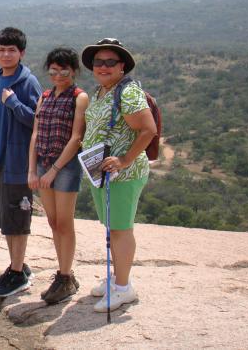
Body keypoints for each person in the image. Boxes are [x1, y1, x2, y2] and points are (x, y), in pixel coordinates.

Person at [81, 38, 157, 312]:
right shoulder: (103, 91)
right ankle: (117, 278)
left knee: (121, 229)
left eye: (110, 62)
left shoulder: (127, 92)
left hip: (122, 175)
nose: (103, 66)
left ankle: (124, 288)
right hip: (103, 173)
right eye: (98, 62)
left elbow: (148, 130)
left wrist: (124, 160)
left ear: (122, 66)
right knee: (112, 226)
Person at [0, 27, 42, 297]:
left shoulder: (27, 83)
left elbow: (37, 120)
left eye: (11, 50)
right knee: (6, 219)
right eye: (1, 50)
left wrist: (14, 103)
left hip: (16, 163)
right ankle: (17, 267)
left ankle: (17, 274)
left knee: (17, 219)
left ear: (21, 53)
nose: (6, 54)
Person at [27, 47, 88, 304]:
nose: (58, 74)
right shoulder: (45, 96)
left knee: (65, 223)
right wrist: (33, 170)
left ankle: (65, 276)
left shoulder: (79, 97)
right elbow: (35, 134)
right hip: (43, 162)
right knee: (53, 223)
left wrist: (53, 170)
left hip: (65, 167)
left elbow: (76, 138)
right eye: (54, 70)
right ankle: (63, 276)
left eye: (64, 70)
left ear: (74, 71)